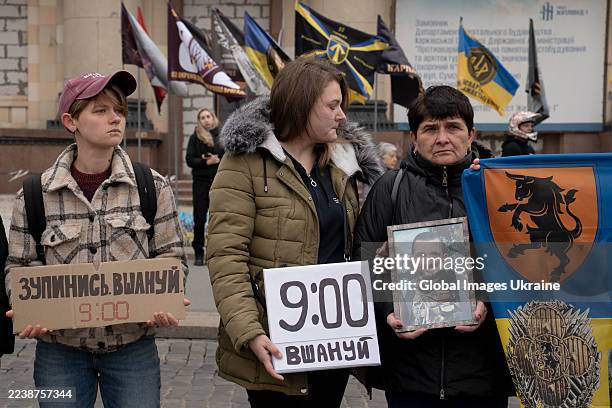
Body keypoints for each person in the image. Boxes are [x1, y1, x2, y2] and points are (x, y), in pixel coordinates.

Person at [4, 71, 189, 408]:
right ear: (70, 121)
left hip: (132, 351)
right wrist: (24, 307)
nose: (115, 117)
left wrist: (166, 297)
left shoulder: (152, 186)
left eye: (118, 109)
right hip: (60, 353)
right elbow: (18, 264)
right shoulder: (34, 194)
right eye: (100, 110)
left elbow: (172, 256)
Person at [206, 57, 383, 407]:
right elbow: (226, 255)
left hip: (334, 343)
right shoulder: (245, 162)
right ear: (301, 106)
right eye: (333, 105)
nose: (342, 115)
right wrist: (250, 332)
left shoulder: (343, 163)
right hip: (274, 342)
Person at [353, 85, 513, 407]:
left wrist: (485, 300)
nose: (442, 138)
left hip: (481, 374)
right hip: (411, 375)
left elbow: (518, 264)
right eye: (430, 129)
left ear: (471, 134)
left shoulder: (498, 190)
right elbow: (364, 264)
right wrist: (389, 312)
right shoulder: (390, 189)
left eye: (453, 127)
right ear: (414, 138)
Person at [185, 108, 223, 266]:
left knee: (218, 218)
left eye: (208, 116)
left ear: (213, 118)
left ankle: (217, 251)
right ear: (199, 121)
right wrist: (206, 161)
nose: (206, 119)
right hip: (201, 182)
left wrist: (218, 159)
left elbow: (229, 155)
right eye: (202, 117)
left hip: (219, 181)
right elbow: (189, 160)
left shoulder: (222, 135)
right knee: (199, 218)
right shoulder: (195, 137)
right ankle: (199, 252)